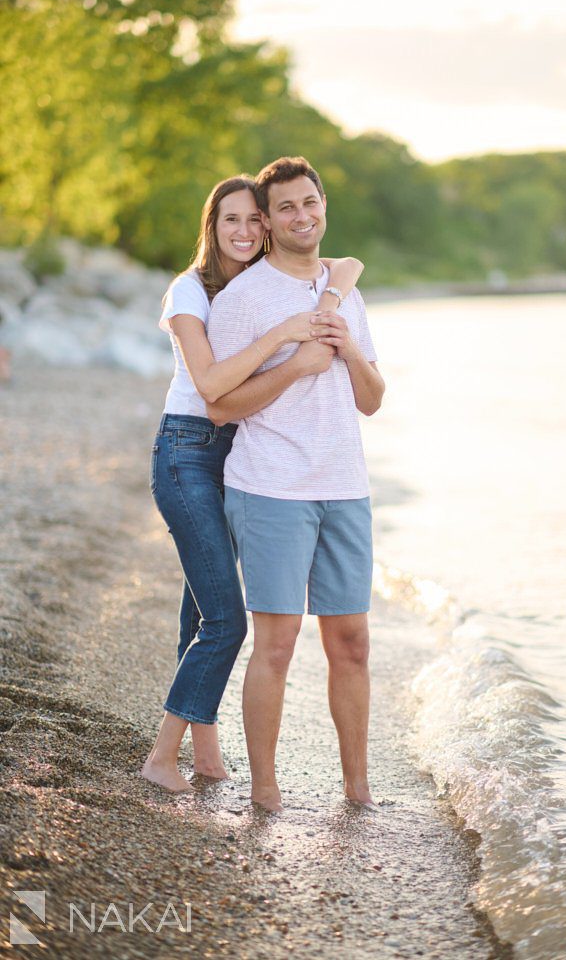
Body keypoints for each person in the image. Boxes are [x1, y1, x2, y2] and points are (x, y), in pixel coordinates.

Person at [141, 174, 364, 792]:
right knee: (227, 620)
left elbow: (345, 263)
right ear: (210, 227)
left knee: (199, 611)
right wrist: (287, 338)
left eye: (251, 220)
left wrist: (330, 298)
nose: (243, 231)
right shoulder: (189, 292)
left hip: (238, 456)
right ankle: (162, 756)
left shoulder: (256, 284)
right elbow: (212, 389)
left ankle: (205, 750)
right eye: (229, 220)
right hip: (188, 453)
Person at [205, 157, 385, 811]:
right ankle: (265, 788)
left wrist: (349, 351)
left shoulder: (346, 294)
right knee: (276, 643)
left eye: (309, 203)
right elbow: (220, 404)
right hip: (270, 487)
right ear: (268, 220)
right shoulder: (244, 299)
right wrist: (297, 365)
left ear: (323, 205)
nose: (300, 216)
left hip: (345, 486)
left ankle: (357, 788)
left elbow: (371, 400)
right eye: (285, 208)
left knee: (353, 643)